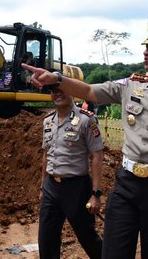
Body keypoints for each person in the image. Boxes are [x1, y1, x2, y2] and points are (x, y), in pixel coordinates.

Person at [25, 14, 148, 258]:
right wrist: (56, 79)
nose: (145, 52)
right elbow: (89, 90)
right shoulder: (132, 85)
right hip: (127, 184)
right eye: (145, 47)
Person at [39, 86, 104, 259]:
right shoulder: (48, 121)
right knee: (46, 239)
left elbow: (96, 156)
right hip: (51, 187)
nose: (57, 93)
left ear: (73, 92)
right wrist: (42, 186)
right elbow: (46, 155)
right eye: (53, 91)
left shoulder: (86, 120)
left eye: (62, 89)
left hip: (77, 188)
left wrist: (96, 194)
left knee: (87, 237)